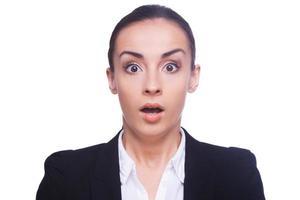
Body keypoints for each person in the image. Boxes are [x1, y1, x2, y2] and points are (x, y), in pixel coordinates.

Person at [36, 4, 265, 200]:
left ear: (193, 77)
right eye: (133, 68)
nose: (152, 86)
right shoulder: (65, 178)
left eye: (170, 67)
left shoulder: (236, 174)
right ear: (112, 78)